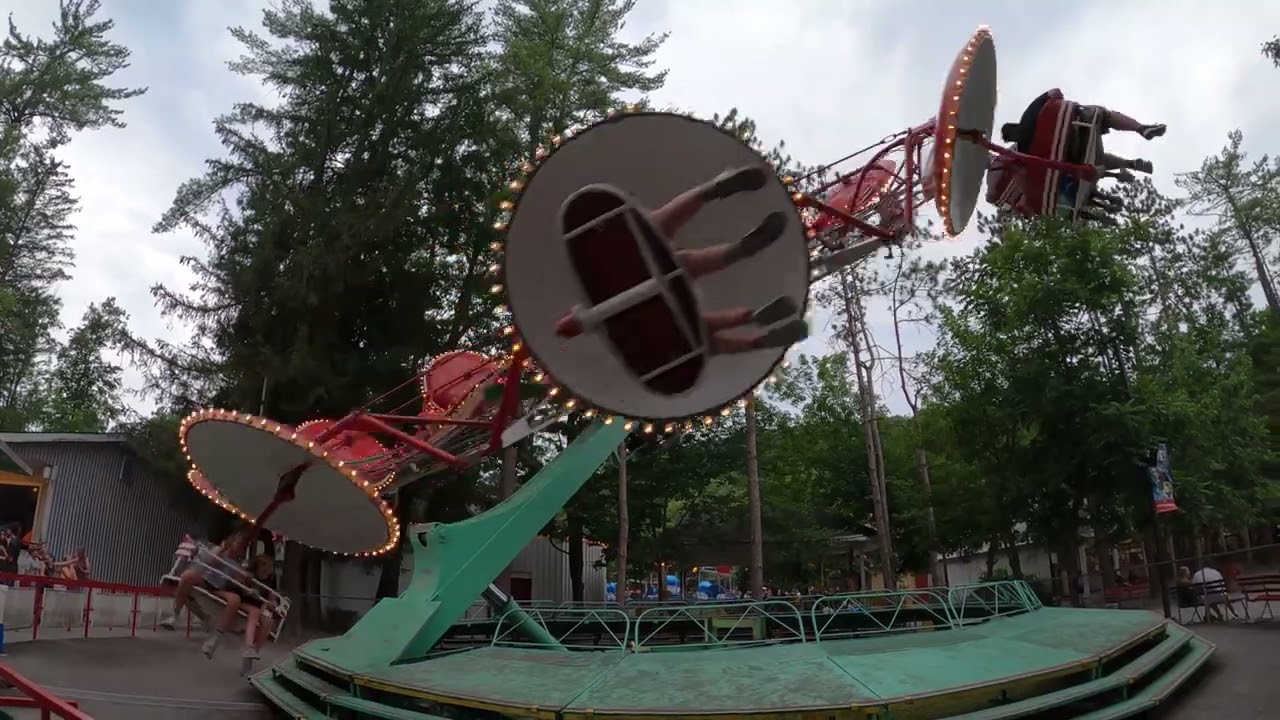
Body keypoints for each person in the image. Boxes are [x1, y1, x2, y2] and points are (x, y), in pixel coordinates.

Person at [556, 166, 808, 355]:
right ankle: (713, 191)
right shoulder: (599, 277)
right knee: (660, 235)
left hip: (655, 311)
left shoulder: (616, 322)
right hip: (634, 275)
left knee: (700, 328)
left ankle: (754, 323)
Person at [1000, 89, 1164, 175]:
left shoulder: (1024, 154)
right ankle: (1141, 128)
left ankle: (1130, 164)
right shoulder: (1031, 112)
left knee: (1098, 160)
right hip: (1082, 127)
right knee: (1102, 114)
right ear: (1016, 124)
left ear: (1011, 141)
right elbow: (1056, 92)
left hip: (1078, 158)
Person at [159, 529, 252, 635]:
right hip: (205, 580)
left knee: (235, 599)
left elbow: (238, 581)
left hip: (217, 587)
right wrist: (221, 550)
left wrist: (246, 579)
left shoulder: (239, 564)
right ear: (232, 541)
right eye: (238, 543)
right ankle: (175, 616)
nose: (239, 547)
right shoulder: (219, 550)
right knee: (188, 575)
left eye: (242, 546)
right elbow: (209, 563)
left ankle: (219, 634)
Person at [236, 553, 278, 665]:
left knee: (268, 622)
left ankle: (254, 652)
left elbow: (272, 597)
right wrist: (248, 590)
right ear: (257, 566)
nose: (267, 569)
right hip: (244, 602)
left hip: (260, 605)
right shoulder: (249, 575)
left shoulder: (271, 579)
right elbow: (240, 590)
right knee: (255, 613)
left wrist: (272, 603)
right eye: (264, 565)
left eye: (270, 566)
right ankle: (249, 647)